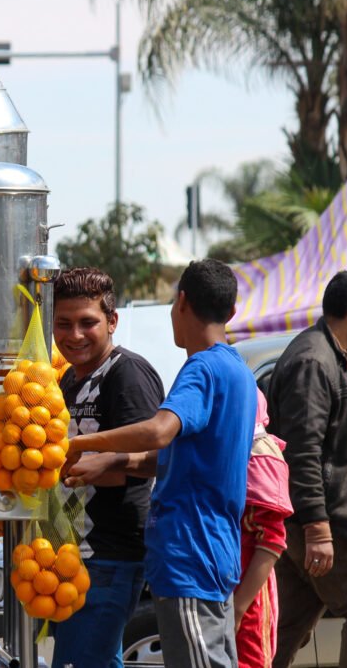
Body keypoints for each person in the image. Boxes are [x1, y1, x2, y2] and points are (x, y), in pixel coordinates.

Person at [65, 259, 258, 668]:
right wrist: (111, 460)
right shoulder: (237, 369)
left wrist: (81, 443)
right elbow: (174, 458)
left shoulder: (201, 368)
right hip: (213, 551)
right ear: (232, 312)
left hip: (189, 551)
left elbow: (158, 431)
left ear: (181, 301)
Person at [267, 270, 347, 668]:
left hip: (307, 521)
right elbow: (302, 451)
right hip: (329, 523)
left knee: (284, 627)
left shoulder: (329, 354)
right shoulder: (314, 360)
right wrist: (318, 528)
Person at [48, 267, 164, 668]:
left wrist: (108, 464)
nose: (74, 335)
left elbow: (158, 456)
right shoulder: (66, 381)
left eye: (88, 323)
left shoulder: (126, 373)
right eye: (63, 324)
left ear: (112, 322)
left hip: (111, 555)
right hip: (74, 553)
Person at [234, 390, 293, 668]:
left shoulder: (260, 459)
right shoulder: (231, 454)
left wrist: (238, 608)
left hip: (250, 598)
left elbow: (272, 542)